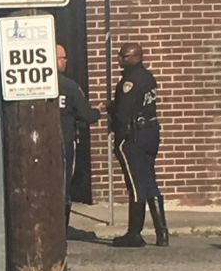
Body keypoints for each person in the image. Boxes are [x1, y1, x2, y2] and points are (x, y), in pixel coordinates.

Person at [103, 42, 168, 247]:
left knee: (136, 184)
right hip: (151, 133)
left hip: (134, 137)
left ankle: (134, 233)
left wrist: (118, 132)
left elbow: (123, 113)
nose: (119, 60)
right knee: (149, 180)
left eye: (123, 56)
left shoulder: (129, 82)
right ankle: (162, 232)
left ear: (133, 57)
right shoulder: (148, 77)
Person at [56, 45, 100, 236]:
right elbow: (87, 115)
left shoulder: (34, 87)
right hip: (64, 142)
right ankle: (61, 230)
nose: (66, 61)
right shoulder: (69, 87)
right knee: (64, 185)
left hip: (38, 145)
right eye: (63, 58)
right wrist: (98, 110)